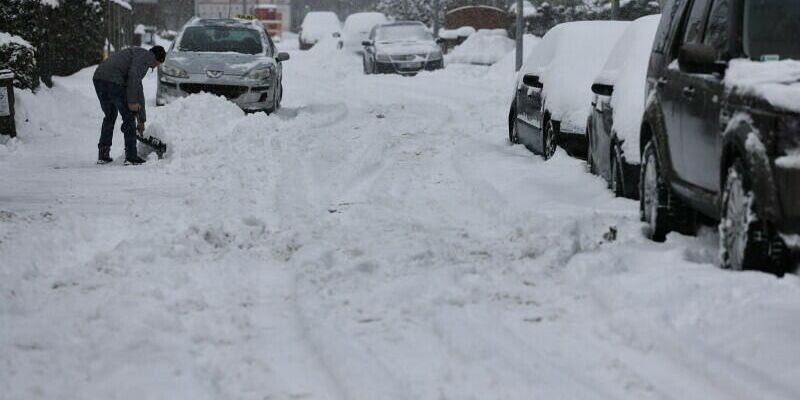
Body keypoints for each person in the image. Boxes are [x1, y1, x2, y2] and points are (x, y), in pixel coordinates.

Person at [92, 46, 166, 165]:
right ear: (156, 58)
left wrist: (141, 120)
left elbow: (138, 89)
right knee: (128, 116)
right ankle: (131, 157)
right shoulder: (146, 57)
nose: (157, 66)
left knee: (110, 115)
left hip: (99, 78)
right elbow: (132, 77)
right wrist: (131, 103)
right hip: (113, 80)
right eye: (159, 63)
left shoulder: (139, 55)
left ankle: (103, 154)